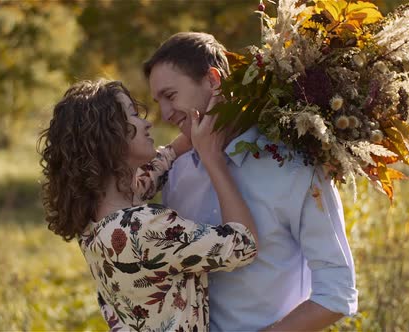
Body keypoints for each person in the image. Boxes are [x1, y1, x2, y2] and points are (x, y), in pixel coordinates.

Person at [143, 32, 358, 331]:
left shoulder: (295, 168)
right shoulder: (178, 172)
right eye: (158, 101)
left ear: (213, 80)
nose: (164, 113)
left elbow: (336, 293)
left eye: (170, 96)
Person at [37, 79, 259, 331]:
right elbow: (244, 243)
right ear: (109, 137)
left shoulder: (95, 216)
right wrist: (212, 157)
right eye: (133, 115)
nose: (147, 122)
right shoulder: (145, 227)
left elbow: (156, 168)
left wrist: (191, 134)